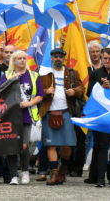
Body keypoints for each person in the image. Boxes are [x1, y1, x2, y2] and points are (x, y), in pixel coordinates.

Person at [39, 48, 84, 186]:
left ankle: (63, 170)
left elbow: (82, 89)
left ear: (64, 59)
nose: (58, 58)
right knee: (50, 145)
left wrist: (74, 91)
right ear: (51, 58)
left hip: (66, 112)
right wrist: (46, 91)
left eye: (60, 56)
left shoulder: (71, 73)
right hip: (48, 112)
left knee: (67, 145)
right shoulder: (43, 73)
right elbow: (35, 91)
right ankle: (53, 173)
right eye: (55, 56)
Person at [0, 51, 43, 185]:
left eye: (24, 58)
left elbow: (40, 95)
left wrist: (28, 103)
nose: (22, 60)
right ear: (13, 61)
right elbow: (0, 91)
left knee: (24, 145)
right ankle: (13, 176)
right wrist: (13, 79)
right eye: (19, 58)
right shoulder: (6, 75)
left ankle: (25, 171)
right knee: (12, 145)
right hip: (10, 115)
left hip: (26, 115)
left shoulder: (34, 75)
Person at [85, 48, 110, 187]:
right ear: (101, 58)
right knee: (101, 146)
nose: (107, 61)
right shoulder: (95, 73)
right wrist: (101, 87)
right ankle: (100, 179)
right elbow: (89, 93)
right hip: (100, 115)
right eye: (104, 58)